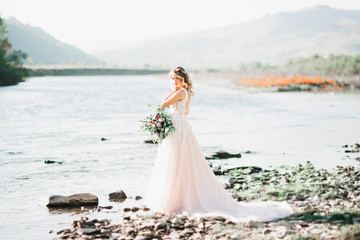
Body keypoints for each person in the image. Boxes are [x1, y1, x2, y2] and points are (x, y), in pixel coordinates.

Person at [144, 67, 293, 222]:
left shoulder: (180, 92)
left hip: (179, 132)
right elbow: (185, 112)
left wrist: (172, 99)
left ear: (181, 79)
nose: (173, 81)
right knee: (177, 163)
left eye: (175, 78)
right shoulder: (185, 93)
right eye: (171, 79)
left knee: (177, 162)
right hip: (181, 129)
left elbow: (163, 104)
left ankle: (177, 200)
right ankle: (177, 198)